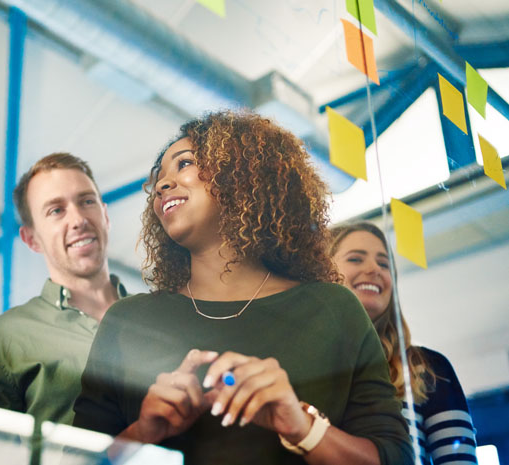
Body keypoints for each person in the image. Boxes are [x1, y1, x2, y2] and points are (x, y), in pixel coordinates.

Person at [73, 110, 412, 464]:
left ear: (241, 176)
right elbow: (70, 458)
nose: (161, 185)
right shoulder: (127, 321)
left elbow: (396, 458)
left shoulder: (332, 309)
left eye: (184, 163)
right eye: (158, 178)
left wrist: (302, 427)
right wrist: (142, 433)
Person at [0, 153, 127, 425]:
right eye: (56, 210)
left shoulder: (161, 318)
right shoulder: (4, 339)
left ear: (105, 215)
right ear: (31, 239)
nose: (78, 219)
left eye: (87, 201)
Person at [330, 222, 478, 464]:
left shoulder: (429, 367)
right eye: (356, 259)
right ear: (323, 272)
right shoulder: (307, 367)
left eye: (384, 264)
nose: (374, 269)